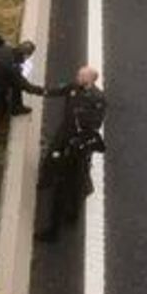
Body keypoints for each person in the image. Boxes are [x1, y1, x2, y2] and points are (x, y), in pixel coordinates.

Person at [36, 66, 107, 242]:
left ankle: (56, 229)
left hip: (77, 145)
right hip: (64, 134)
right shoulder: (74, 87)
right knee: (51, 157)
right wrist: (34, 89)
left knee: (67, 185)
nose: (77, 76)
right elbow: (55, 91)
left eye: (81, 75)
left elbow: (94, 124)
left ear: (90, 80)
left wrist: (79, 139)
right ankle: (46, 180)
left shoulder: (98, 99)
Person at [0, 41, 45, 143]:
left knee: (15, 85)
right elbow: (27, 87)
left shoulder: (4, 49)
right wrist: (44, 91)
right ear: (26, 55)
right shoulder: (13, 68)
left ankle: (17, 108)